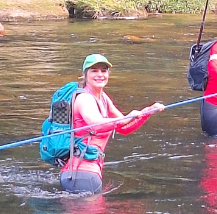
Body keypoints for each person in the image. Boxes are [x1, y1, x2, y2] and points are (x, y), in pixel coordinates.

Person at [63, 53, 164, 194]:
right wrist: (127, 117)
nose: (100, 75)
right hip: (82, 174)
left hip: (89, 172)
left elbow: (123, 128)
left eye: (104, 71)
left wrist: (146, 112)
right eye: (94, 71)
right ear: (84, 75)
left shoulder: (103, 98)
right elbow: (96, 124)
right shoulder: (84, 99)